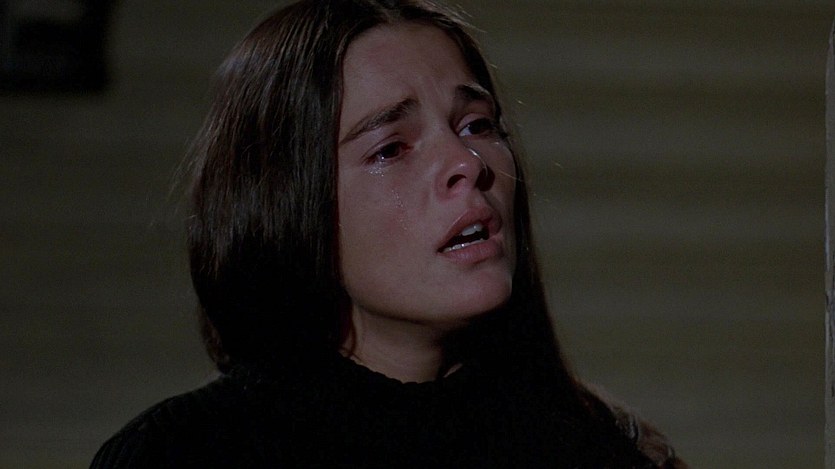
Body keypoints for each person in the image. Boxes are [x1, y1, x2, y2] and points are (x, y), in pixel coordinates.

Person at [91, 0, 686, 467]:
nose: (467, 163)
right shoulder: (181, 453)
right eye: (390, 148)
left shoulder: (605, 450)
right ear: (287, 204)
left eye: (476, 125)